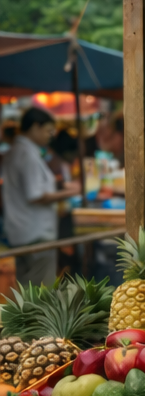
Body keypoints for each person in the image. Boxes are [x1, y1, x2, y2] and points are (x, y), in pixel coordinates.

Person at [3, 107, 78, 285]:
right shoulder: (27, 154)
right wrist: (69, 193)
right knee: (41, 294)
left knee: (27, 290)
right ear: (35, 127)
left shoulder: (18, 151)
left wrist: (62, 187)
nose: (50, 136)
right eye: (48, 131)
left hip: (21, 232)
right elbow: (35, 195)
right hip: (35, 235)